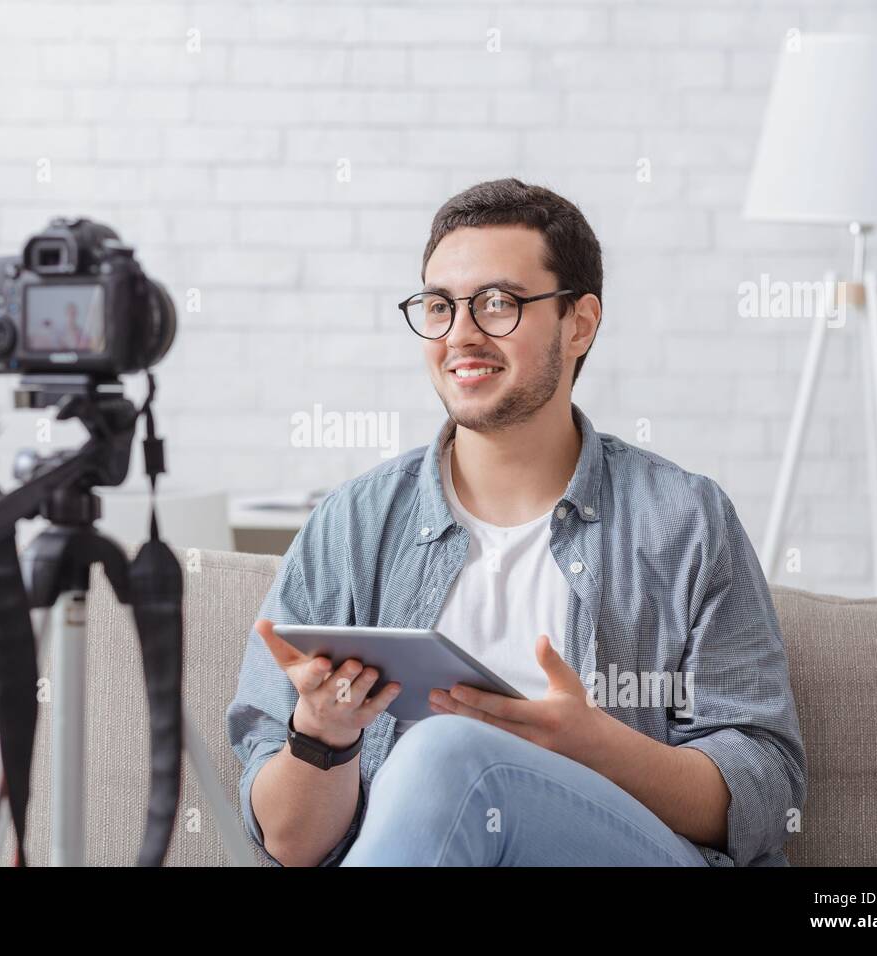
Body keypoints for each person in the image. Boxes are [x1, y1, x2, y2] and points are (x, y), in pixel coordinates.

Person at [225, 177, 806, 867]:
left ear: (580, 322)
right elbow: (290, 846)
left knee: (447, 753)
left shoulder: (685, 519)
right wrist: (323, 735)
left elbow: (768, 796)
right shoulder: (351, 525)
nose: (461, 334)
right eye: (439, 306)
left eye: (498, 303)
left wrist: (593, 746)